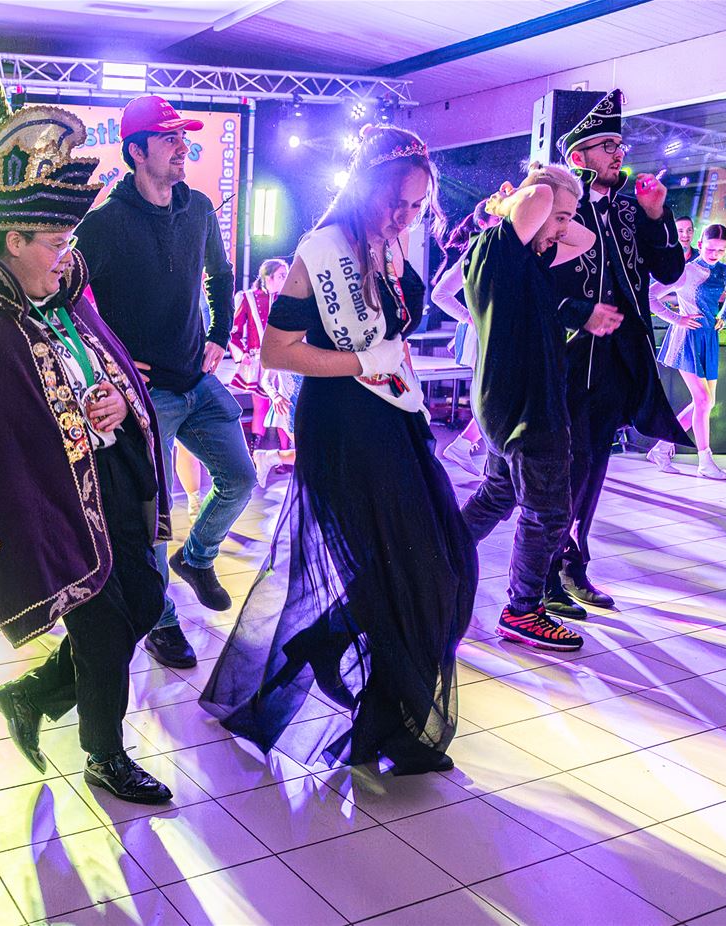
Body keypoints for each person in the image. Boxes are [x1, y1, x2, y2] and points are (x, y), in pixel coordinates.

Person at [0, 9, 174, 803]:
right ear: (11, 243)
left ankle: (32, 695)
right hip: (57, 511)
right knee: (103, 636)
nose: (68, 256)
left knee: (144, 604)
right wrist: (71, 427)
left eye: (69, 242)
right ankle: (104, 755)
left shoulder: (66, 303)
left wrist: (114, 407)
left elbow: (109, 378)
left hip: (113, 484)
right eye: (55, 242)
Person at [200, 126, 477, 775]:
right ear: (367, 189)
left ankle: (327, 647)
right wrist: (363, 361)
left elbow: (391, 337)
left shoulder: (389, 242)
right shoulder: (322, 249)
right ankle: (391, 725)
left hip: (395, 417)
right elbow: (277, 352)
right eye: (398, 202)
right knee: (401, 576)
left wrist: (394, 368)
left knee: (447, 565)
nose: (407, 216)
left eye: (418, 205)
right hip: (345, 426)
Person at [77, 94, 251, 671]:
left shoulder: (197, 207)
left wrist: (220, 334)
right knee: (156, 513)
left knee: (240, 479)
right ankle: (161, 621)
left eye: (184, 136)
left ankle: (196, 558)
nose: (183, 146)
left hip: (197, 381)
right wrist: (112, 358)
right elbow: (66, 299)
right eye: (170, 137)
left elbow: (221, 276)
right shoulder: (104, 223)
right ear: (136, 151)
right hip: (144, 393)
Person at [461, 163, 620, 652]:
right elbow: (538, 201)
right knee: (549, 509)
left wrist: (561, 207)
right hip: (525, 404)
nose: (563, 229)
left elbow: (584, 241)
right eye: (560, 218)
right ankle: (523, 610)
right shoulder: (497, 248)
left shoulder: (524, 258)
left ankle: (437, 552)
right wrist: (523, 195)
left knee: (497, 496)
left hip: (512, 399)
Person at [549, 89, 690, 616]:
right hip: (567, 362)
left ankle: (572, 564)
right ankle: (543, 572)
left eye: (620, 145)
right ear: (579, 155)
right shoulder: (557, 208)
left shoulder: (633, 209)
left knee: (592, 466)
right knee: (565, 467)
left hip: (619, 362)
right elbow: (534, 284)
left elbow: (670, 272)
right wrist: (579, 313)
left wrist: (656, 216)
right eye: (608, 145)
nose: (619, 154)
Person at [646, 223, 726, 480]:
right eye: (711, 249)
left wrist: (724, 316)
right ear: (700, 244)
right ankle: (705, 461)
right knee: (702, 401)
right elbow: (650, 297)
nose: (715, 254)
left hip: (708, 338)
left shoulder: (722, 270)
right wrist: (677, 318)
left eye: (721, 250)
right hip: (687, 338)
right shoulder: (685, 271)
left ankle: (662, 448)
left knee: (705, 403)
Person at [431, 206, 501, 475]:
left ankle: (465, 445)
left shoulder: (502, 250)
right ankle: (469, 448)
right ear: (483, 224)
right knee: (492, 397)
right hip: (485, 333)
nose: (504, 222)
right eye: (498, 218)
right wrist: (469, 317)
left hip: (496, 331)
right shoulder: (476, 252)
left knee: (495, 397)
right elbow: (440, 294)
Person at [231, 259, 290, 449]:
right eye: (281, 275)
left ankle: (286, 451)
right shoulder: (248, 297)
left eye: (286, 275)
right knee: (261, 407)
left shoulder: (287, 299)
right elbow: (234, 332)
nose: (286, 279)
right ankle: (255, 451)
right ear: (268, 277)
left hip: (284, 361)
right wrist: (242, 354)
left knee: (284, 408)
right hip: (258, 361)